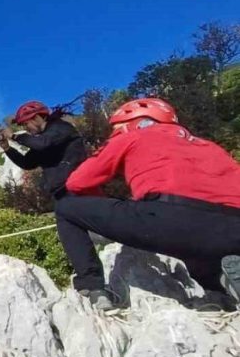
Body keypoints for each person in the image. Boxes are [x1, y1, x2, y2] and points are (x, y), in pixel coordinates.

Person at [56, 97, 240, 309]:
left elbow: (77, 182)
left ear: (135, 123)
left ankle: (93, 287)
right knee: (201, 246)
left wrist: (102, 214)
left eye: (117, 128)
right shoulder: (210, 146)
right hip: (233, 227)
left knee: (65, 208)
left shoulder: (132, 137)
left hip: (170, 217)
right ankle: (219, 288)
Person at [0, 100, 87, 200]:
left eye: (26, 124)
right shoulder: (43, 140)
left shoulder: (60, 127)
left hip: (80, 189)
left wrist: (13, 136)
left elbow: (42, 143)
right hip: (61, 194)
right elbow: (27, 163)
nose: (25, 128)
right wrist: (7, 148)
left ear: (37, 118)